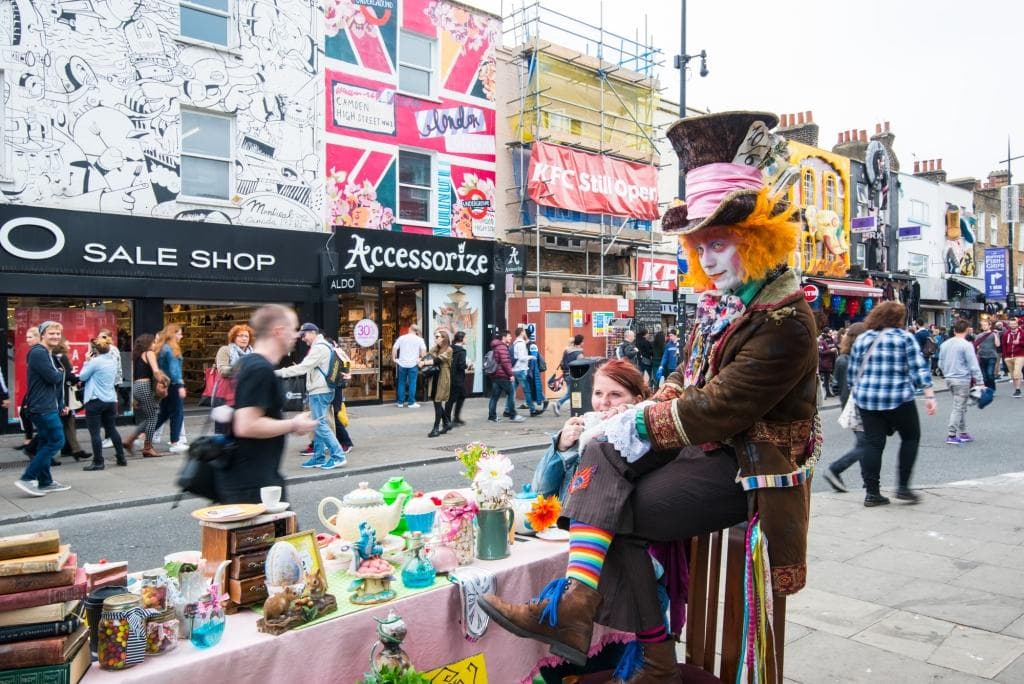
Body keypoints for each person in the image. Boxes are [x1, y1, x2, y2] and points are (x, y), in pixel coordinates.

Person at [479, 111, 818, 679]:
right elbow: (686, 379)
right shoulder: (726, 306)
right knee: (596, 452)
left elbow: (717, 409)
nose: (706, 260)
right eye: (699, 247)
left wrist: (634, 422)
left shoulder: (785, 321)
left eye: (719, 243)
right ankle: (592, 617)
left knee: (616, 509)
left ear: (757, 240)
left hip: (751, 470)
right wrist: (638, 410)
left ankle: (613, 632)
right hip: (708, 455)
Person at [219, 305, 317, 504]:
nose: (297, 335)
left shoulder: (249, 364)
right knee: (283, 536)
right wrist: (293, 425)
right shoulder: (259, 369)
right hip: (254, 486)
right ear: (278, 331)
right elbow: (246, 425)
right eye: (293, 328)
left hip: (254, 480)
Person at [848, 301, 936, 507]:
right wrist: (929, 395)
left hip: (867, 400)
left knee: (873, 443)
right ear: (898, 319)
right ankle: (903, 487)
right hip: (898, 398)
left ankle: (872, 493)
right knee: (911, 437)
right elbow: (919, 369)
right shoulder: (904, 338)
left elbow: (852, 374)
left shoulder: (862, 339)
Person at [533, 359, 650, 502]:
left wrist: (629, 413)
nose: (604, 402)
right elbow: (540, 493)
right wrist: (561, 447)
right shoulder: (586, 428)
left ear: (636, 401)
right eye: (598, 393)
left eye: (615, 394)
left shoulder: (636, 441)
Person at [275, 323, 348, 470]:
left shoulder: (319, 348)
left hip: (320, 391)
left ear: (313, 332)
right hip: (322, 390)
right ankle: (318, 457)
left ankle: (338, 456)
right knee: (317, 424)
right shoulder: (324, 345)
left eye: (304, 335)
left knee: (320, 425)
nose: (302, 339)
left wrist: (279, 372)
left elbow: (303, 367)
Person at [15, 321, 71, 497]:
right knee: (57, 441)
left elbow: (55, 383)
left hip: (47, 405)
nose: (55, 336)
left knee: (46, 443)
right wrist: (61, 372)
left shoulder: (47, 353)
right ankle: (27, 477)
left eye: (57, 333)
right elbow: (53, 378)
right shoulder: (39, 353)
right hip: (42, 407)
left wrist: (61, 404)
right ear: (42, 335)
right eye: (51, 333)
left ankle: (45, 481)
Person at [821, 323, 868, 492]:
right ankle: (835, 469)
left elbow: (835, 386)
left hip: (847, 408)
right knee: (866, 444)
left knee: (864, 443)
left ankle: (868, 481)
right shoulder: (859, 358)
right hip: (861, 407)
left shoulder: (841, 359)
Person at [78, 334, 127, 470]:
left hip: (95, 400)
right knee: (111, 429)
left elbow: (82, 376)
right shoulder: (112, 360)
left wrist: (86, 361)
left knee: (95, 433)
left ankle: (98, 462)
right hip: (110, 400)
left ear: (96, 350)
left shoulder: (95, 362)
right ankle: (121, 457)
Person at [939, 319, 984, 445]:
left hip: (949, 378)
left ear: (954, 330)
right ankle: (952, 434)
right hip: (962, 379)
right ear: (967, 330)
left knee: (961, 405)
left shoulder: (945, 344)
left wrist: (946, 373)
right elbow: (973, 364)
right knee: (959, 407)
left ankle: (963, 432)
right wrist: (980, 381)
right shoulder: (966, 345)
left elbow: (940, 363)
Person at [123, 334, 165, 458]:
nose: (156, 344)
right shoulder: (149, 353)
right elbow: (156, 372)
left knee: (149, 417)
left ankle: (129, 440)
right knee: (153, 417)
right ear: (149, 343)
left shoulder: (138, 356)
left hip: (137, 387)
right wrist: (165, 382)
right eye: (154, 342)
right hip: (145, 386)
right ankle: (148, 447)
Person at [153, 323, 188, 453]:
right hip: (173, 384)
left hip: (165, 383)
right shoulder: (171, 349)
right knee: (177, 413)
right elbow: (174, 370)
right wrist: (180, 385)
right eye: (179, 334)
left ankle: (143, 435)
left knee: (164, 413)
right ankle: (175, 442)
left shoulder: (162, 348)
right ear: (173, 334)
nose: (181, 336)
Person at [53, 337, 88, 462]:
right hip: (64, 394)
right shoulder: (62, 357)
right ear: (62, 346)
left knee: (67, 422)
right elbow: (68, 376)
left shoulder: (53, 356)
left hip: (57, 394)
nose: (69, 347)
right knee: (64, 422)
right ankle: (34, 447)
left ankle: (71, 449)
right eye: (67, 345)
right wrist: (78, 379)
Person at [487, 330, 523, 423]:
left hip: (496, 374)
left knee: (494, 396)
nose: (510, 338)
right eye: (509, 336)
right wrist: (510, 375)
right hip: (502, 375)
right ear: (504, 337)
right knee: (511, 393)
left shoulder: (496, 346)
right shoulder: (502, 347)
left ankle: (492, 417)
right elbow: (505, 362)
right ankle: (513, 415)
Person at [16, 328, 41, 454]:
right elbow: (20, 361)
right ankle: (29, 441)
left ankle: (32, 446)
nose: (27, 340)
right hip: (32, 386)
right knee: (24, 413)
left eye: (30, 337)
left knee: (47, 428)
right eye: (26, 337)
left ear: (38, 337)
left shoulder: (40, 351)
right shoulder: (30, 350)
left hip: (38, 391)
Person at [424, 329, 453, 437]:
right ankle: (446, 423)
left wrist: (424, 362)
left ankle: (436, 428)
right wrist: (421, 359)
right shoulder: (435, 348)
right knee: (435, 401)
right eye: (435, 336)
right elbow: (428, 355)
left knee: (438, 402)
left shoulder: (449, 349)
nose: (435, 338)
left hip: (443, 377)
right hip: (434, 377)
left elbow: (438, 360)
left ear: (444, 338)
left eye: (437, 337)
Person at [393, 324, 426, 408]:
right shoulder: (420, 339)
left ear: (409, 329)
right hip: (413, 364)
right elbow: (423, 351)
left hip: (402, 363)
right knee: (412, 383)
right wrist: (420, 358)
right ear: (416, 331)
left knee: (401, 383)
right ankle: (411, 403)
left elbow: (395, 348)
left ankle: (400, 402)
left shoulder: (402, 338)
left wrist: (394, 358)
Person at [552, 334, 584, 416]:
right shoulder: (579, 354)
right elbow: (581, 365)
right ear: (581, 342)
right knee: (571, 393)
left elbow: (562, 362)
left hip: (566, 374)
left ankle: (572, 409)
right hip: (573, 375)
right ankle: (558, 403)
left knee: (572, 392)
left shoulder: (567, 351)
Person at [512, 327, 539, 415]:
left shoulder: (516, 343)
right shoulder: (520, 344)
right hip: (520, 370)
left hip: (516, 369)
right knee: (527, 390)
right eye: (524, 332)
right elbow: (521, 357)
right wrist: (531, 357)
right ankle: (532, 410)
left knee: (512, 391)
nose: (525, 334)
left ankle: (508, 409)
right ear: (522, 333)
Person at [445, 331, 469, 426]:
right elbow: (461, 365)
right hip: (458, 378)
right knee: (454, 398)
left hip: (450, 376)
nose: (466, 339)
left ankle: (453, 418)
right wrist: (467, 365)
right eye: (465, 338)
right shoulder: (462, 351)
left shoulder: (450, 348)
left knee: (456, 397)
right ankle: (450, 419)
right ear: (461, 339)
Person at [972, 319, 1000, 392]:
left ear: (990, 326)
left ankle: (992, 389)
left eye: (985, 325)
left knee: (990, 374)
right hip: (981, 356)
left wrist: (996, 335)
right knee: (984, 376)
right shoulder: (979, 335)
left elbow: (997, 344)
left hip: (991, 356)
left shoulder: (993, 334)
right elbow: (976, 346)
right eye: (982, 325)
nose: (984, 327)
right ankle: (987, 389)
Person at [1000, 318, 1024, 397]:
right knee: (1013, 374)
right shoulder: (1006, 334)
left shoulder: (1022, 333)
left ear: (1017, 324)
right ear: (1009, 325)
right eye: (1011, 324)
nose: (1013, 325)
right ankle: (1016, 389)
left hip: (1020, 355)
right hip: (1009, 357)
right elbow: (1003, 345)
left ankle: (1018, 390)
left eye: (1014, 323)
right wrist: (1005, 356)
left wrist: (1019, 343)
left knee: (1017, 372)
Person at [818, 328, 838, 397]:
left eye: (831, 333)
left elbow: (835, 346)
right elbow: (820, 352)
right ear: (826, 333)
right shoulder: (822, 341)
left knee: (831, 377)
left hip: (833, 361)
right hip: (825, 363)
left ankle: (834, 391)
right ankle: (827, 392)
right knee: (826, 378)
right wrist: (830, 351)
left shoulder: (832, 340)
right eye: (830, 333)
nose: (831, 334)